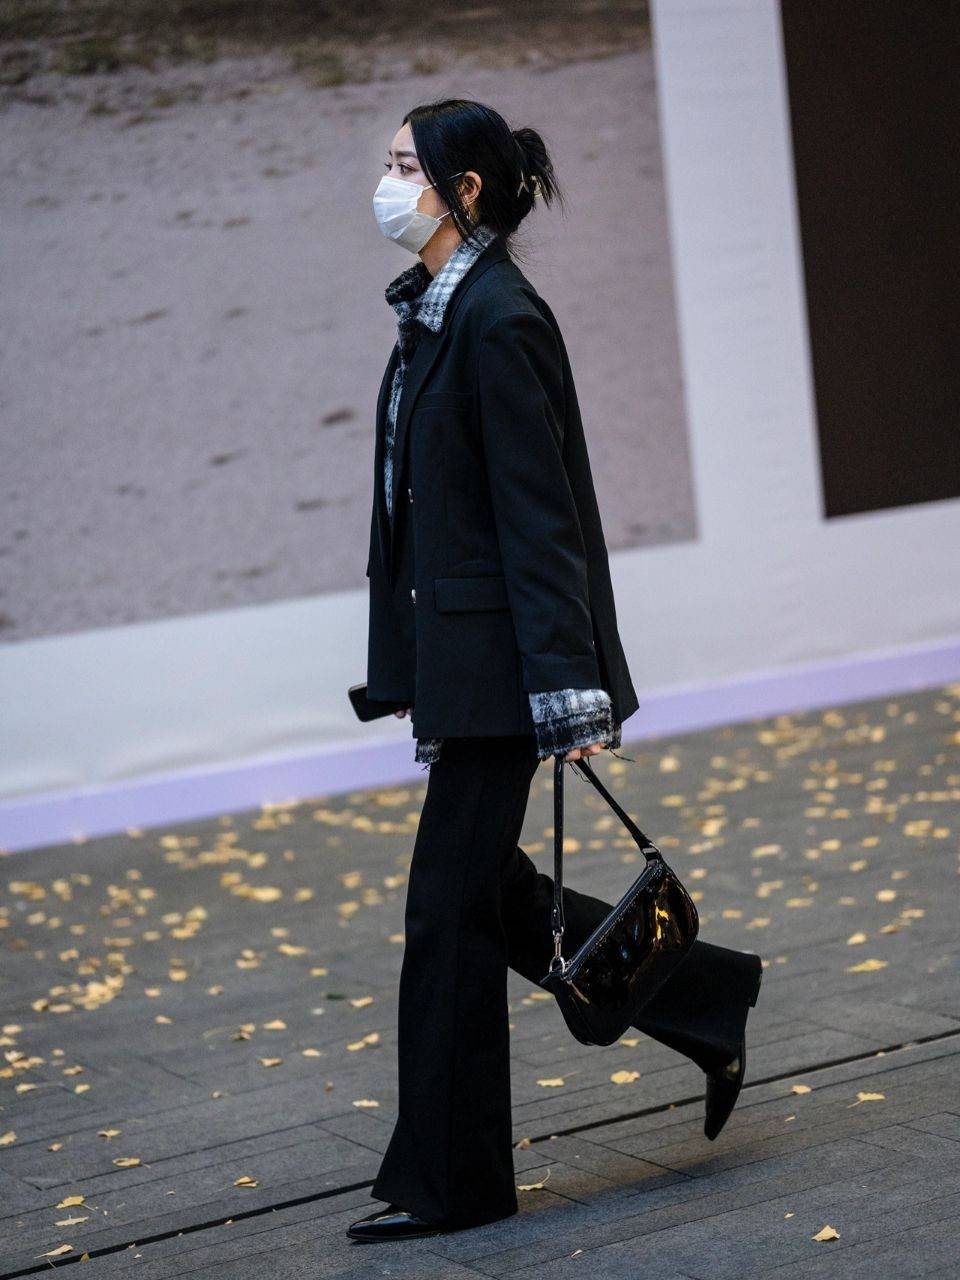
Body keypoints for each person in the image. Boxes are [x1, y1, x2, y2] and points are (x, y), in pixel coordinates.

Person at [347, 98, 763, 1244]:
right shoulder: (441, 308)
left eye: (402, 165)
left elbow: (543, 519)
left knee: (445, 915)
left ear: (461, 188)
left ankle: (455, 1179)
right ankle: (707, 997)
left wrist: (568, 689)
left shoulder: (497, 316)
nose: (384, 182)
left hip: (502, 675)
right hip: (466, 661)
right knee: (486, 897)